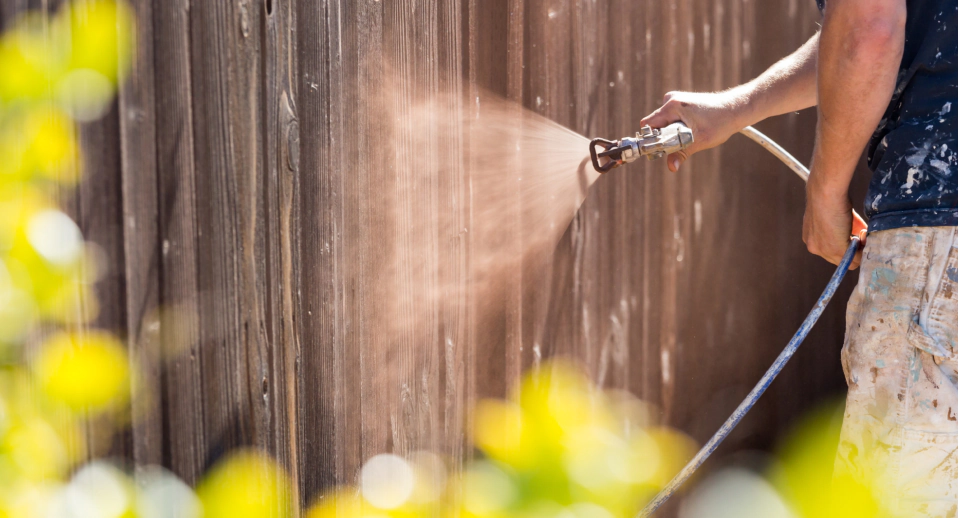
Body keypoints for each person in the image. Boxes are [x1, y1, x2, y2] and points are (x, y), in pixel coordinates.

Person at [640, 0, 958, 515]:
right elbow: (878, 33)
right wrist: (738, 106)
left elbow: (870, 27)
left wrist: (827, 191)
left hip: (937, 223)